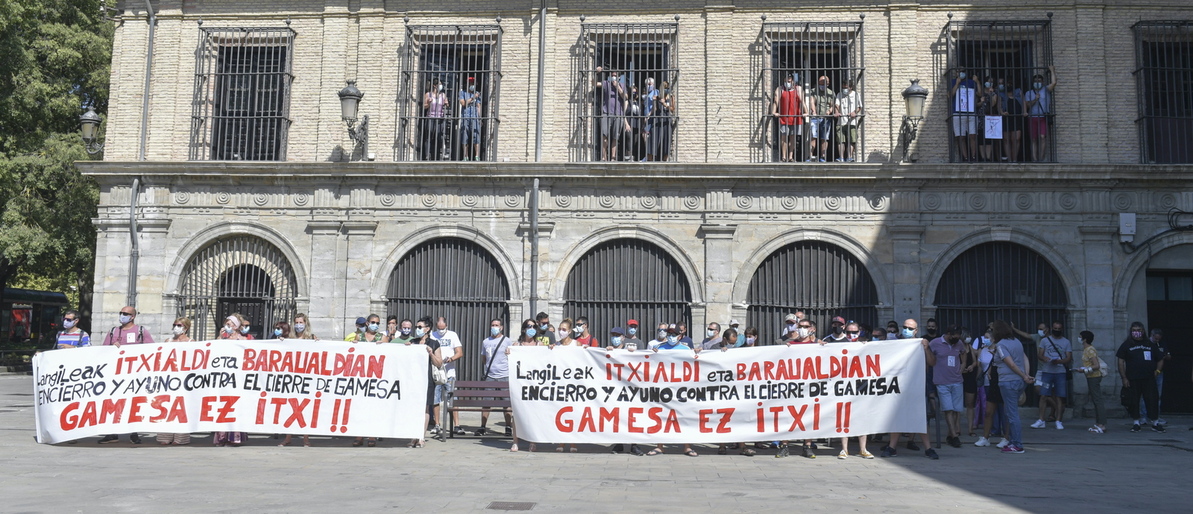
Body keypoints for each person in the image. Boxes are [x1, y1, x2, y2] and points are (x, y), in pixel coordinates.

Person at [881, 319, 938, 459]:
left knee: (921, 418)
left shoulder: (921, 343)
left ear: (916, 330)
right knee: (897, 417)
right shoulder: (896, 343)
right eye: (905, 327)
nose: (907, 330)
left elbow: (932, 362)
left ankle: (928, 448)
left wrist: (926, 348)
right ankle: (892, 447)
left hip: (917, 387)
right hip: (898, 386)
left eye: (910, 328)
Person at [98, 306, 154, 444]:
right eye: (121, 313)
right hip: (115, 374)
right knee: (113, 403)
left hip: (134, 374)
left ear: (132, 316)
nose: (122, 315)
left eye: (126, 313)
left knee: (132, 403)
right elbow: (103, 351)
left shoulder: (141, 331)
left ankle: (133, 433)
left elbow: (151, 349)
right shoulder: (113, 331)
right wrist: (112, 348)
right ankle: (112, 433)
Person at [645, 327, 699, 457]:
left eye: (673, 334)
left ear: (679, 336)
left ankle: (687, 447)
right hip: (663, 388)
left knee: (684, 417)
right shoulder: (659, 347)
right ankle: (660, 446)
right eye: (669, 334)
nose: (670, 337)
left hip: (682, 388)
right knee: (661, 416)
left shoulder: (686, 350)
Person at [777, 318, 819, 458]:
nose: (802, 329)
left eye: (805, 326)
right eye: (800, 326)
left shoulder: (817, 346)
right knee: (788, 416)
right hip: (792, 387)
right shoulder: (790, 345)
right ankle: (784, 446)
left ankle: (807, 446)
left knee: (809, 417)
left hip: (810, 387)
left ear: (811, 329)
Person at [991, 319, 1034, 453]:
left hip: (1008, 381)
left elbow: (1011, 364)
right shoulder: (1016, 342)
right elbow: (1024, 358)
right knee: (1011, 411)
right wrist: (1025, 374)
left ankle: (1017, 444)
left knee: (1012, 413)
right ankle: (1012, 441)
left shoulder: (1001, 345)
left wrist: (1023, 375)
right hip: (1018, 381)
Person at [1116, 322, 1165, 433]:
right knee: (1134, 400)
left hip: (1148, 378)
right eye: (1134, 330)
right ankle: (1136, 423)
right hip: (1132, 378)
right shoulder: (1127, 344)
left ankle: (1155, 422)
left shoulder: (1149, 344)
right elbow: (1120, 361)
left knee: (1152, 400)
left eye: (1139, 330)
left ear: (1143, 331)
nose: (1136, 332)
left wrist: (1157, 371)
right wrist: (1124, 377)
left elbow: (1160, 358)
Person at [407, 316, 444, 448]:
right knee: (412, 408)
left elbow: (439, 363)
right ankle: (413, 436)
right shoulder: (413, 342)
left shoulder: (434, 344)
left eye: (419, 327)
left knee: (425, 408)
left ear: (427, 329)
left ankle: (421, 436)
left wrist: (431, 353)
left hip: (427, 379)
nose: (417, 329)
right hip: (412, 379)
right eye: (416, 327)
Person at [928, 325, 967, 448]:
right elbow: (928, 355)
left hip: (957, 380)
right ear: (948, 334)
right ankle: (954, 436)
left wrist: (963, 365)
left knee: (956, 409)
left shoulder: (959, 343)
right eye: (954, 336)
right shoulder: (935, 343)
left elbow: (963, 352)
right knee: (948, 409)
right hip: (942, 381)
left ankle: (951, 434)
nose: (956, 338)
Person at [157, 317, 193, 446]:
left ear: (186, 328)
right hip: (168, 379)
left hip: (183, 379)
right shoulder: (168, 341)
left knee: (180, 408)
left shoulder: (191, 342)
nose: (176, 327)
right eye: (174, 324)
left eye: (179, 325)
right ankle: (165, 436)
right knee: (166, 407)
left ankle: (181, 438)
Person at [213, 315, 248, 447]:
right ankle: (221, 437)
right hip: (223, 377)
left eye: (231, 324)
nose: (229, 326)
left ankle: (235, 437)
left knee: (235, 407)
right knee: (222, 407)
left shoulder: (244, 340)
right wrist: (220, 338)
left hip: (238, 378)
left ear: (237, 325)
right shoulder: (222, 338)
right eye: (227, 323)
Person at [475, 318, 514, 437]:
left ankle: (508, 427)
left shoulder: (507, 341)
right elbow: (484, 358)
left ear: (501, 327)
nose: (494, 327)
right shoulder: (486, 341)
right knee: (487, 403)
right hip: (490, 376)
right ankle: (483, 426)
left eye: (496, 325)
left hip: (504, 375)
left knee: (506, 404)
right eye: (492, 325)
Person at [1031, 320, 1072, 430]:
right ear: (1052, 328)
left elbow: (1069, 358)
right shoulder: (1045, 341)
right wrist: (1045, 358)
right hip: (1047, 371)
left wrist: (1059, 361)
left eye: (1059, 329)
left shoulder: (1066, 342)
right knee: (1043, 395)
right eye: (1055, 328)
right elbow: (1040, 354)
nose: (1057, 330)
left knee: (1059, 396)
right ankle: (1041, 419)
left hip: (1060, 372)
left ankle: (1058, 420)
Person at [508, 319, 541, 452]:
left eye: (533, 326)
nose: (531, 328)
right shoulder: (517, 345)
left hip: (534, 384)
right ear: (523, 329)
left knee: (533, 413)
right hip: (520, 384)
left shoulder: (539, 345)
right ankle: (515, 441)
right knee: (517, 413)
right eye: (529, 326)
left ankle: (532, 441)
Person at [431, 316, 464, 436]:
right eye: (439, 328)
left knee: (452, 400)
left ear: (446, 326)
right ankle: (437, 424)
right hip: (436, 373)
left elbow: (459, 352)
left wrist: (451, 359)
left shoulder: (452, 335)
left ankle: (456, 425)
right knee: (435, 400)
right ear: (436, 326)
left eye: (442, 328)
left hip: (449, 373)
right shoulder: (432, 335)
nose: (441, 330)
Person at [593, 66, 627, 162]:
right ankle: (604, 157)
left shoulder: (622, 85)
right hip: (606, 112)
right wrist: (596, 73)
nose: (613, 77)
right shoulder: (606, 83)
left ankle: (613, 157)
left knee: (615, 137)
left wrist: (618, 88)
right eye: (612, 75)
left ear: (619, 77)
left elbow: (626, 97)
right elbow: (594, 83)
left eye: (615, 76)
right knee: (604, 135)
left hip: (618, 114)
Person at [1075, 330, 1107, 433]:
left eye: (1080, 337)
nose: (1079, 338)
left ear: (1084, 339)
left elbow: (1096, 365)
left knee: (1097, 400)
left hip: (1094, 376)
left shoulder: (1090, 349)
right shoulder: (1086, 349)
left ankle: (1101, 424)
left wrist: (1084, 369)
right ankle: (1098, 423)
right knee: (1095, 399)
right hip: (1090, 376)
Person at [1024, 66, 1057, 162]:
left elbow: (1054, 83)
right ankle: (1034, 159)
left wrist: (1052, 70)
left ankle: (1041, 158)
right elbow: (1028, 105)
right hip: (1032, 117)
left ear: (1042, 82)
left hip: (1043, 117)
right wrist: (1036, 99)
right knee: (1033, 139)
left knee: (1042, 137)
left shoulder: (1046, 90)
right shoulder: (1029, 93)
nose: (1037, 83)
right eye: (1035, 81)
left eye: (1039, 81)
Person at [772, 73, 805, 162]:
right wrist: (774, 112)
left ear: (793, 81)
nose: (787, 83)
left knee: (793, 138)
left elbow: (802, 101)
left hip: (795, 117)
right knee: (784, 137)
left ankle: (790, 157)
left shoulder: (798, 89)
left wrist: (806, 112)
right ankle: (783, 157)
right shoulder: (780, 89)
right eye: (786, 81)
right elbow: (776, 101)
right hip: (784, 117)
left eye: (789, 81)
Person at [949, 69, 979, 162]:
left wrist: (977, 82)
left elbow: (979, 93)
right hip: (958, 113)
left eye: (963, 71)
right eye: (959, 71)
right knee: (961, 136)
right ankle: (965, 158)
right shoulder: (952, 82)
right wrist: (957, 84)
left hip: (971, 112)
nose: (961, 73)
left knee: (972, 135)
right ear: (956, 73)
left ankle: (974, 157)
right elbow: (950, 95)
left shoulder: (970, 82)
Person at [1139, 329, 1169, 425]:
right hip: (1147, 372)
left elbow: (1167, 355)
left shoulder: (1161, 344)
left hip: (1158, 372)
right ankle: (1143, 416)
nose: (1157, 341)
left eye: (1158, 339)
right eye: (1155, 338)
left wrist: (1164, 356)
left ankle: (1156, 416)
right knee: (1145, 395)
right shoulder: (1145, 344)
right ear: (1151, 335)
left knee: (1157, 395)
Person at [804, 76, 835, 162]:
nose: (821, 86)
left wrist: (828, 112)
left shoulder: (831, 93)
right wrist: (814, 111)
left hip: (826, 118)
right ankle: (810, 155)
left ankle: (823, 156)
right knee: (813, 136)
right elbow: (812, 102)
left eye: (823, 84)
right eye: (820, 84)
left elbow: (832, 106)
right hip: (815, 117)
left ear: (827, 84)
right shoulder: (813, 91)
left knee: (824, 138)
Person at [834, 79, 862, 162]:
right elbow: (836, 105)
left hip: (852, 121)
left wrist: (854, 112)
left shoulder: (856, 95)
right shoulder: (839, 94)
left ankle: (849, 157)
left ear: (851, 87)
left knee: (851, 139)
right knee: (840, 140)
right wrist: (837, 112)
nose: (844, 89)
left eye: (846, 87)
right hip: (841, 121)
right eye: (843, 87)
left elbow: (859, 106)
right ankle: (841, 157)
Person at [998, 78, 1024, 162]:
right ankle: (1009, 159)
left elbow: (1024, 102)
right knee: (1006, 139)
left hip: (1017, 118)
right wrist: (1002, 112)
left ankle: (1014, 159)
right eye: (1007, 83)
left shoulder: (1018, 92)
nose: (1008, 85)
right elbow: (999, 106)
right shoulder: (1001, 94)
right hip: (1006, 119)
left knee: (1016, 139)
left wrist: (1025, 112)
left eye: (1010, 83)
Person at [422, 77, 448, 160]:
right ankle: (427, 156)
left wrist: (447, 104)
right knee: (429, 137)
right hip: (430, 118)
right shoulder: (428, 94)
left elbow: (447, 104)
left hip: (440, 119)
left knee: (439, 137)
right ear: (434, 86)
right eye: (439, 84)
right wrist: (428, 103)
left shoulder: (443, 95)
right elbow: (424, 107)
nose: (441, 86)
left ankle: (436, 156)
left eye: (441, 84)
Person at [977, 75, 1001, 162]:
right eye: (988, 81)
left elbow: (993, 104)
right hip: (980, 117)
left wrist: (991, 94)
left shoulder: (994, 93)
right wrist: (981, 101)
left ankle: (988, 157)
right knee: (980, 138)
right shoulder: (980, 92)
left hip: (990, 117)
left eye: (991, 82)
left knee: (988, 138)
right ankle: (983, 157)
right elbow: (976, 104)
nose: (989, 83)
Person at [459, 76, 482, 161]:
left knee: (476, 136)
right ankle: (465, 156)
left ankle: (477, 156)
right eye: (470, 83)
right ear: (467, 83)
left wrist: (480, 118)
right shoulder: (463, 93)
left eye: (473, 83)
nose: (472, 84)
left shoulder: (477, 93)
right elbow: (463, 103)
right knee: (465, 137)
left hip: (474, 118)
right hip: (465, 117)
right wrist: (473, 98)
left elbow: (478, 106)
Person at [652, 80, 676, 162]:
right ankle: (655, 157)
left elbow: (673, 109)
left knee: (666, 138)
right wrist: (654, 101)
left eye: (667, 88)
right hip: (658, 119)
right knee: (657, 138)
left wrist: (665, 104)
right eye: (664, 88)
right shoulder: (658, 97)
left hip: (667, 119)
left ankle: (665, 158)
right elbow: (655, 109)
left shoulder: (671, 97)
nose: (666, 89)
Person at [641, 77, 659, 162]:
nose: (648, 86)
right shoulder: (647, 94)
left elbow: (655, 107)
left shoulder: (655, 92)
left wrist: (648, 115)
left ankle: (649, 157)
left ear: (653, 84)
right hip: (645, 118)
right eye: (647, 85)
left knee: (647, 136)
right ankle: (648, 155)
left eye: (649, 84)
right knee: (644, 136)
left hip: (651, 118)